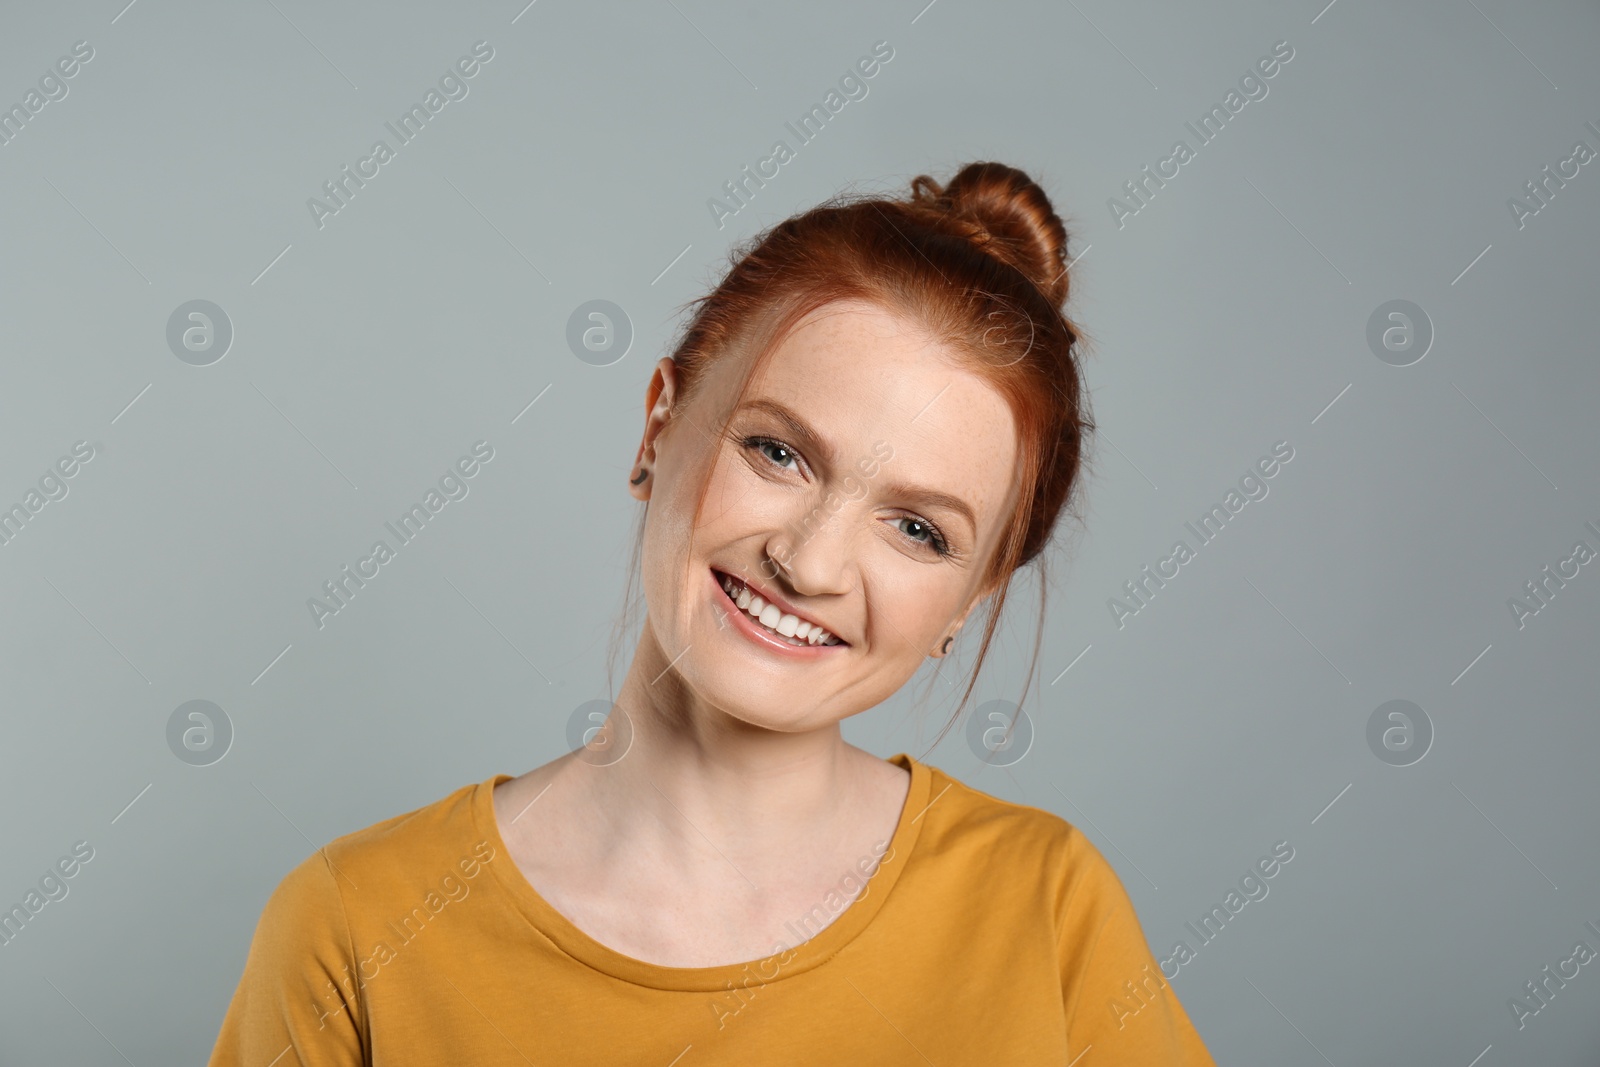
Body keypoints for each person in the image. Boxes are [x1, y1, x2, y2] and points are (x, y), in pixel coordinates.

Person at [207, 161, 1217, 1065]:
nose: (809, 561)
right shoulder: (353, 925)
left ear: (970, 597)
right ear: (659, 426)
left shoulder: (1045, 907)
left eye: (916, 528)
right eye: (777, 452)